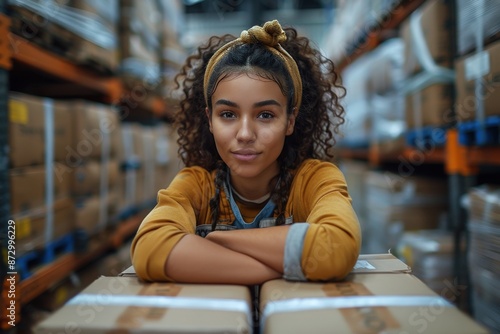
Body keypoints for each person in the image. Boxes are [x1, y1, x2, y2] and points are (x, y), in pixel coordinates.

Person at [130, 19, 361, 284]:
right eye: (228, 114)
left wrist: (219, 240)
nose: (245, 134)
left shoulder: (315, 180)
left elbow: (336, 248)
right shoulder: (196, 185)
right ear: (209, 119)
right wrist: (277, 270)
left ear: (290, 121)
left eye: (265, 115)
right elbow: (150, 247)